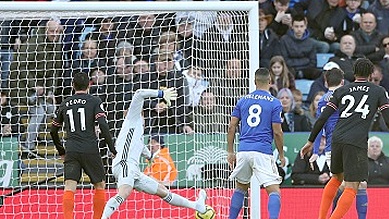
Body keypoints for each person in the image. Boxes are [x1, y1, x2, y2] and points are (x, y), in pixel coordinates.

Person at [300, 58, 389, 219]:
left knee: (336, 179)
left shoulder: (342, 90)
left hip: (337, 139)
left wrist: (310, 141)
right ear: (371, 74)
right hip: (356, 142)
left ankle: (321, 217)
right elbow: (388, 118)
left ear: (354, 73)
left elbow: (322, 118)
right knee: (353, 186)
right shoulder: (378, 91)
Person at [101, 88, 208, 219]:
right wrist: (161, 94)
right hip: (125, 164)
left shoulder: (137, 135)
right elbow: (139, 93)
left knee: (163, 191)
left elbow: (145, 152)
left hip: (133, 170)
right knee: (125, 192)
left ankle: (197, 205)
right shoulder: (132, 120)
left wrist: (151, 156)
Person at [49, 72, 116, 219]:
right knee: (99, 185)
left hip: (71, 149)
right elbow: (103, 125)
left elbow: (53, 131)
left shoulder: (65, 103)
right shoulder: (94, 101)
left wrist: (61, 151)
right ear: (89, 85)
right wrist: (112, 148)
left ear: (73, 86)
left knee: (70, 186)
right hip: (90, 148)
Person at [226, 68, 284, 219]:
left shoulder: (243, 100)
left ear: (254, 81)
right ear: (270, 81)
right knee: (274, 191)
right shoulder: (274, 103)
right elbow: (277, 132)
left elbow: (232, 126)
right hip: (262, 151)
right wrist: (282, 154)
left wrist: (230, 151)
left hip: (243, 150)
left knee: (241, 188)